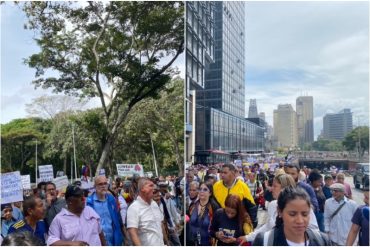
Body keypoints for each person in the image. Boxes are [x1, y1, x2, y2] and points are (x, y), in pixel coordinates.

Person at [239, 174, 319, 243]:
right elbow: (268, 226)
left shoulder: (301, 205)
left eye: (275, 186)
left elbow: (315, 230)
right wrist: (248, 237)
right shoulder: (273, 205)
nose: (271, 189)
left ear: (284, 188)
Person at [252, 187, 330, 246]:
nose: (300, 220)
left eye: (305, 214)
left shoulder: (322, 240)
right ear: (280, 211)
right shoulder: (264, 241)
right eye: (292, 214)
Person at [86, 176, 123, 246]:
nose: (103, 186)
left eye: (105, 183)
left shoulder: (112, 200)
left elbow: (118, 219)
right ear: (95, 186)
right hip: (97, 242)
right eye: (100, 184)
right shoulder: (88, 203)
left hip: (114, 241)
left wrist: (125, 237)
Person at [127, 178, 165, 246]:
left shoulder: (155, 204)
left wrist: (166, 242)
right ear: (142, 189)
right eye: (151, 186)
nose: (154, 188)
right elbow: (132, 232)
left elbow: (161, 224)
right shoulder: (134, 208)